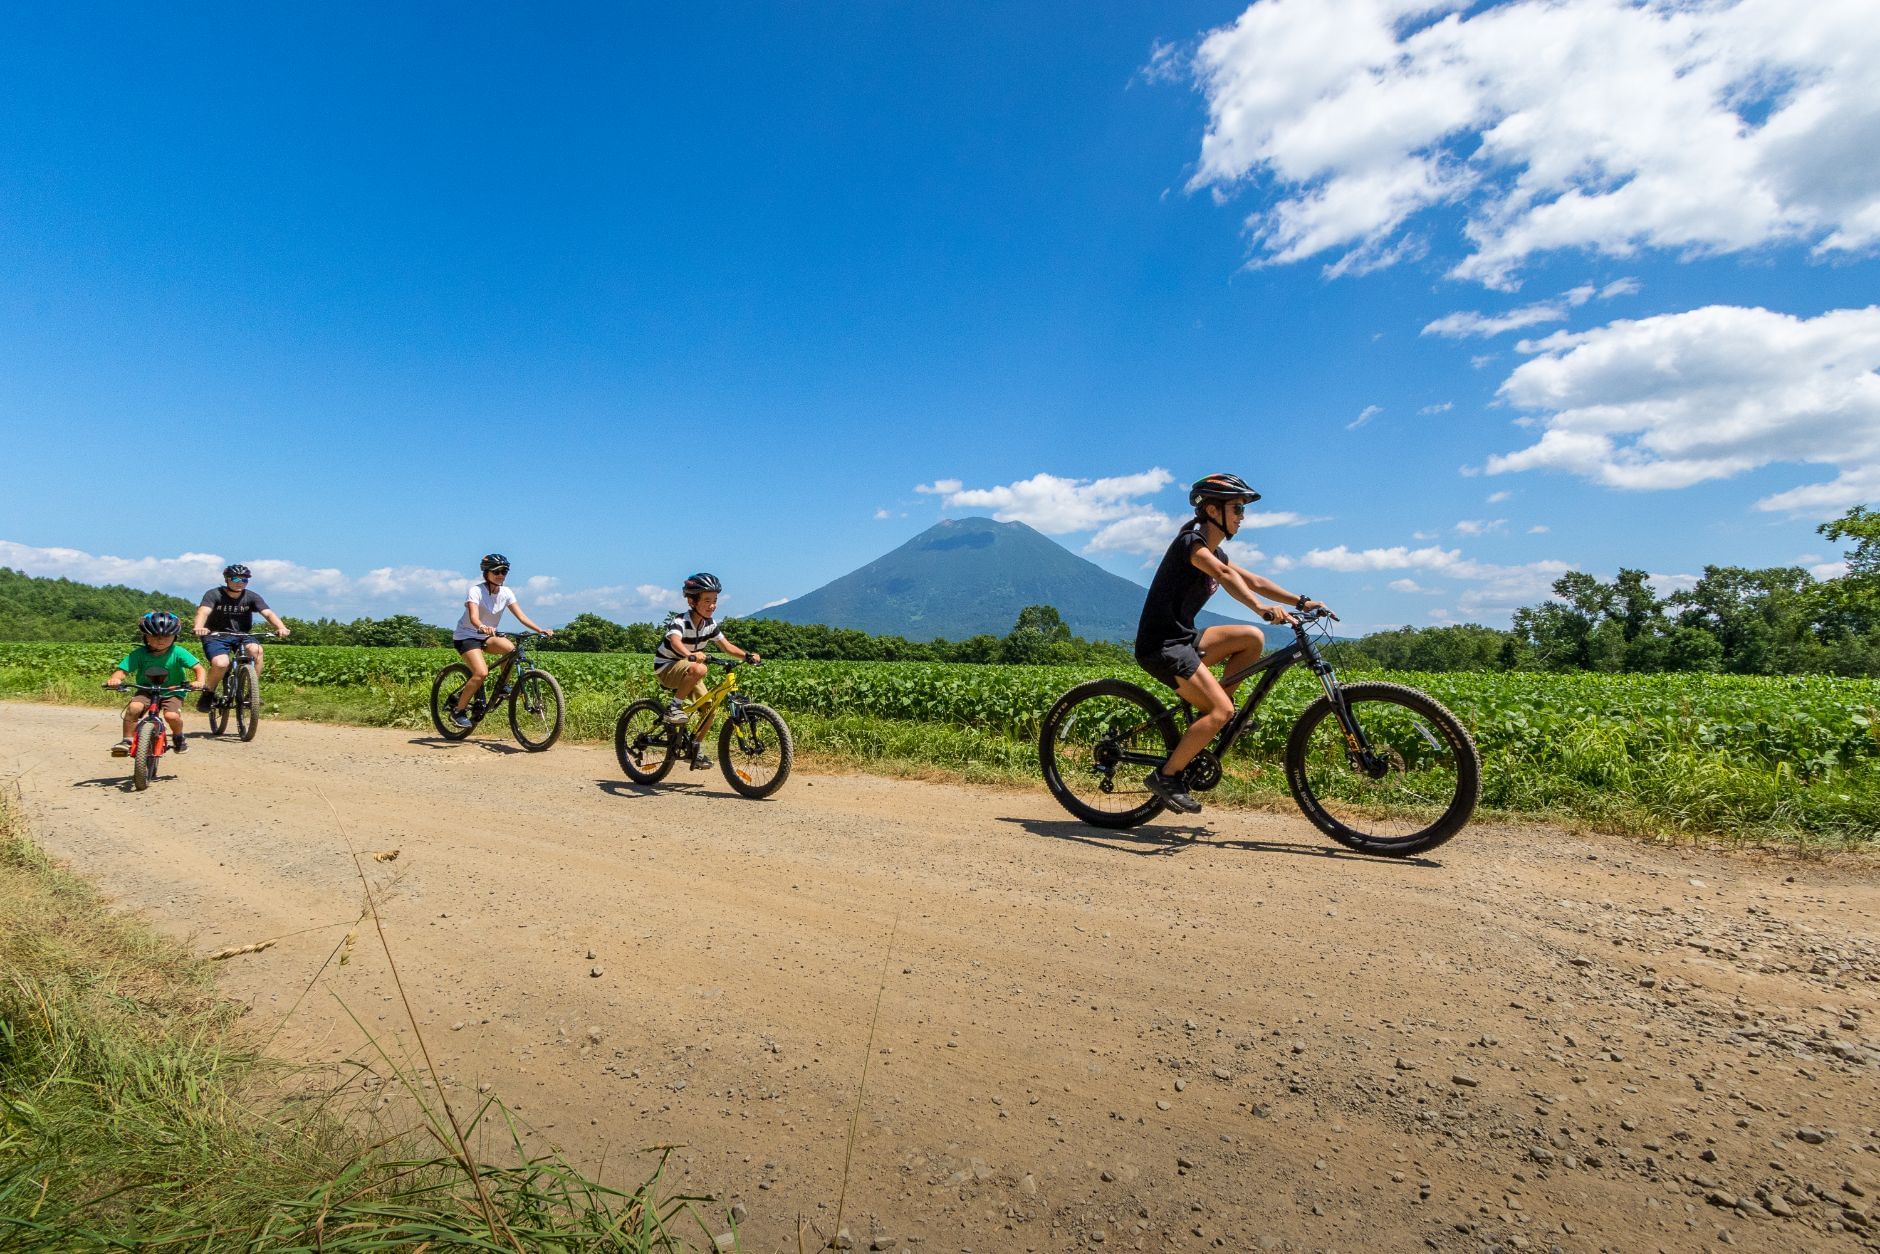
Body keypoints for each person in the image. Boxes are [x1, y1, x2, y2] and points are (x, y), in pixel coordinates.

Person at [1134, 473, 1332, 815]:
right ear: (1212, 509)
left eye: (1243, 509)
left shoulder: (1216, 551)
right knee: (1221, 712)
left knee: (1251, 637)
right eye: (1237, 508)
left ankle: (1214, 710)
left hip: (1184, 638)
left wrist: (1301, 601)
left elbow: (1251, 579)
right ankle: (1167, 776)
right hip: (1162, 646)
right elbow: (1226, 578)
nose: (1242, 516)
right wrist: (1260, 608)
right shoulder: (1191, 544)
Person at [653, 572, 759, 769]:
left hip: (689, 671)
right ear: (692, 601)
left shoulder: (710, 624)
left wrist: (747, 656)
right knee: (700, 668)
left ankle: (694, 748)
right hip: (667, 668)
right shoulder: (680, 621)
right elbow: (674, 640)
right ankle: (673, 708)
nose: (713, 605)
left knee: (709, 709)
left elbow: (726, 646)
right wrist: (689, 654)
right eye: (707, 600)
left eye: (715, 600)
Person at [441, 553, 555, 728]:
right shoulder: (476, 590)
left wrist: (540, 629)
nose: (501, 575)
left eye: (504, 572)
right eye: (497, 571)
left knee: (510, 649)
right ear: (486, 573)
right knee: (481, 673)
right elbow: (473, 617)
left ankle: (503, 686)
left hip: (487, 636)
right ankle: (458, 711)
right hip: (467, 636)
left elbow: (521, 616)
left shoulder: (506, 592)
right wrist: (481, 626)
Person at [192, 563, 291, 711]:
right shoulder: (214, 594)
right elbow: (203, 612)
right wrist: (199, 627)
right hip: (216, 635)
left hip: (242, 635)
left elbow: (268, 613)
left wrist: (281, 627)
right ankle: (208, 694)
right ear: (227, 579)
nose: (240, 583)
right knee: (221, 663)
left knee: (256, 650)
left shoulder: (251, 596)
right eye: (236, 579)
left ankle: (252, 693)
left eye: (244, 580)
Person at [107, 611, 205, 756]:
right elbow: (122, 671)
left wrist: (199, 681)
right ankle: (126, 740)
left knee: (171, 716)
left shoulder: (178, 652)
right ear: (145, 636)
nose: (161, 640)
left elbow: (198, 668)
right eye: (154, 636)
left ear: (174, 637)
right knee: (134, 708)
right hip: (146, 689)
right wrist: (115, 679)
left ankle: (178, 737)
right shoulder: (139, 654)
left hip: (173, 691)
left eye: (166, 636)